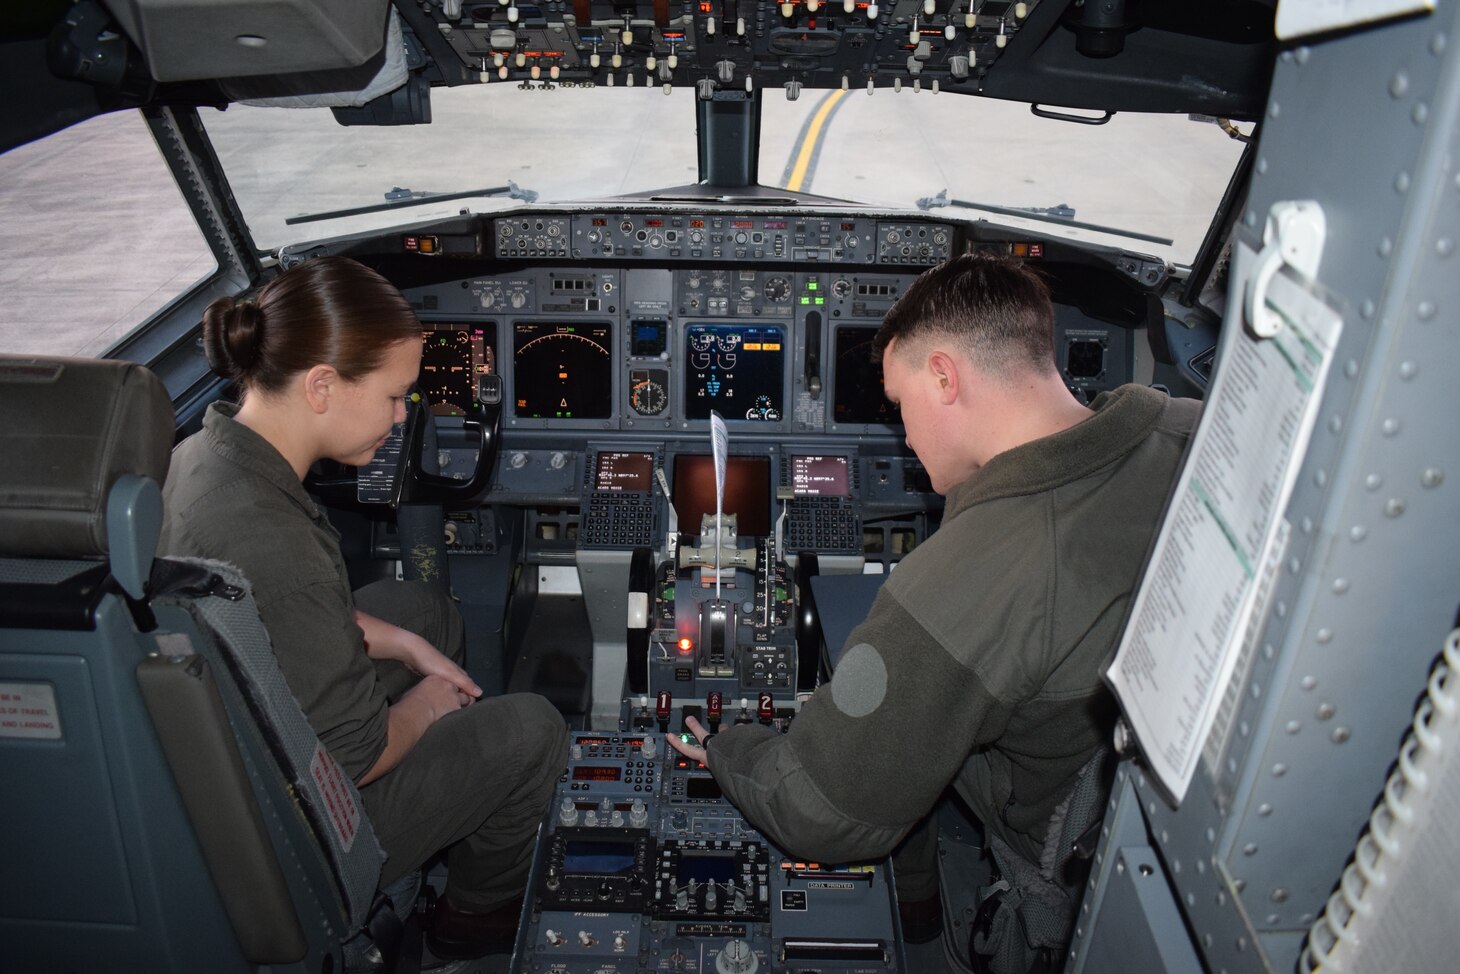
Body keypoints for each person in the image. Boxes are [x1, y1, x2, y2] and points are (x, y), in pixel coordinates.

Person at [667, 253, 1200, 967]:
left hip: (1063, 840)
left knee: (872, 724)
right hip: (1155, 785)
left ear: (946, 377)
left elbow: (819, 812)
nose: (906, 440)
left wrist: (730, 746)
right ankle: (917, 903)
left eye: (901, 405)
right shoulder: (1198, 431)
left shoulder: (968, 578)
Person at [159, 255, 568, 961]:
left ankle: (456, 807)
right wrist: (435, 702)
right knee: (532, 731)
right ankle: (470, 915)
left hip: (233, 727)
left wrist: (410, 649)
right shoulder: (272, 541)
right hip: (298, 820)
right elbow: (360, 755)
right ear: (322, 386)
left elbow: (267, 618)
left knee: (420, 611)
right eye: (392, 396)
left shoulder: (207, 455)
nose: (404, 415)